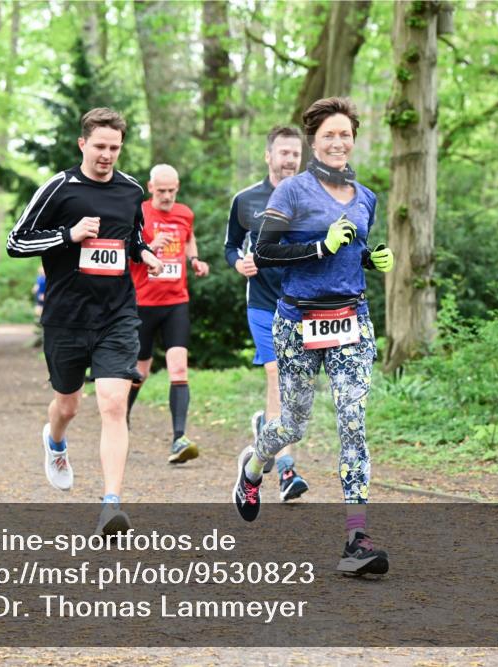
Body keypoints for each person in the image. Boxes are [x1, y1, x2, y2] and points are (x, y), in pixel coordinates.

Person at [232, 97, 396, 576]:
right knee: (293, 425)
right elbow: (265, 252)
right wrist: (320, 245)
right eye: (329, 135)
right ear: (313, 142)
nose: (338, 142)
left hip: (351, 320)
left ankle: (357, 539)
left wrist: (370, 259)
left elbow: (351, 251)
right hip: (298, 322)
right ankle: (253, 467)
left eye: (345, 134)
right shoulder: (292, 192)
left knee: (353, 422)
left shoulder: (365, 196)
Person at [7, 107, 163, 535]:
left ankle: (111, 504)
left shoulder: (131, 190)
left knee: (113, 404)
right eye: (99, 146)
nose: (107, 155)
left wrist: (145, 254)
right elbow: (15, 242)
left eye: (114, 147)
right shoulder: (59, 188)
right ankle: (55, 441)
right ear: (82, 144)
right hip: (67, 318)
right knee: (68, 405)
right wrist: (68, 235)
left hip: (117, 315)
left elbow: (132, 236)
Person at [225, 125, 309, 501]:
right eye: (284, 153)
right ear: (268, 156)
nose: (290, 160)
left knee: (296, 384)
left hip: (299, 304)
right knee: (278, 375)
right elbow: (230, 246)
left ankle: (266, 425)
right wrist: (238, 262)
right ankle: (287, 470)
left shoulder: (312, 199)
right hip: (261, 304)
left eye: (295, 154)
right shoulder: (246, 200)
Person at [126, 164, 210, 465]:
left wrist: (195, 259)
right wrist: (149, 247)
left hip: (176, 301)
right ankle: (121, 418)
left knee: (179, 368)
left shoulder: (185, 213)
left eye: (171, 190)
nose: (166, 196)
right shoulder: (138, 213)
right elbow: (128, 251)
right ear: (151, 188)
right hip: (143, 303)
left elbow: (189, 238)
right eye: (161, 190)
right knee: (140, 371)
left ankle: (179, 438)